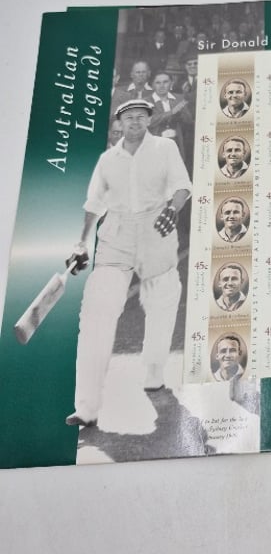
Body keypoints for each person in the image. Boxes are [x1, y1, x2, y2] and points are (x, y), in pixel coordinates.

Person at [64, 98, 191, 428]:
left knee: (161, 304)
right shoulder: (107, 159)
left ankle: (154, 372)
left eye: (140, 116)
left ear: (148, 120)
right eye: (128, 117)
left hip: (156, 229)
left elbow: (182, 186)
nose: (135, 121)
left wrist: (172, 209)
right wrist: (82, 242)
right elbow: (94, 204)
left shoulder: (164, 148)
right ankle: (86, 406)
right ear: (119, 123)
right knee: (96, 312)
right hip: (116, 234)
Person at [149, 71, 191, 164]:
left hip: (177, 142)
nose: (162, 86)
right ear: (152, 85)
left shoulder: (179, 98)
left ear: (171, 83)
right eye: (158, 83)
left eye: (165, 82)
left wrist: (182, 112)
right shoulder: (146, 101)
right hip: (156, 144)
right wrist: (172, 112)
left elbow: (188, 120)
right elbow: (149, 121)